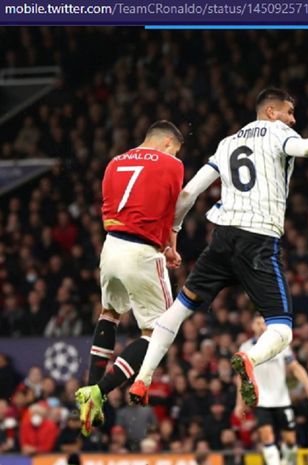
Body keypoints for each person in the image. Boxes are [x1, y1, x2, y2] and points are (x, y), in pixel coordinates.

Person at [129, 87, 308, 407]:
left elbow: (189, 194)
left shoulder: (227, 143)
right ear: (271, 112)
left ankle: (142, 378)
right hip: (258, 241)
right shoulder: (277, 132)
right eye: (289, 112)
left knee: (178, 309)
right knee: (282, 329)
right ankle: (250, 358)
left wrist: (172, 232)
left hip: (222, 238)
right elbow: (305, 149)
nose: (293, 119)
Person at [75, 120, 185, 436]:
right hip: (142, 253)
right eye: (176, 148)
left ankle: (89, 389)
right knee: (158, 331)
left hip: (110, 246)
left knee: (109, 314)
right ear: (168, 143)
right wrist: (169, 247)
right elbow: (170, 210)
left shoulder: (115, 162)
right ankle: (102, 390)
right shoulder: (172, 164)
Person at [234, 314, 308, 465]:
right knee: (267, 438)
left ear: (268, 326)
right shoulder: (245, 348)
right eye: (257, 323)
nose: (260, 326)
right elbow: (241, 378)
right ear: (252, 326)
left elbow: (294, 366)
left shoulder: (280, 345)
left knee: (291, 441)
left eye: (263, 323)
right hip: (261, 401)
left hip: (281, 399)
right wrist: (239, 404)